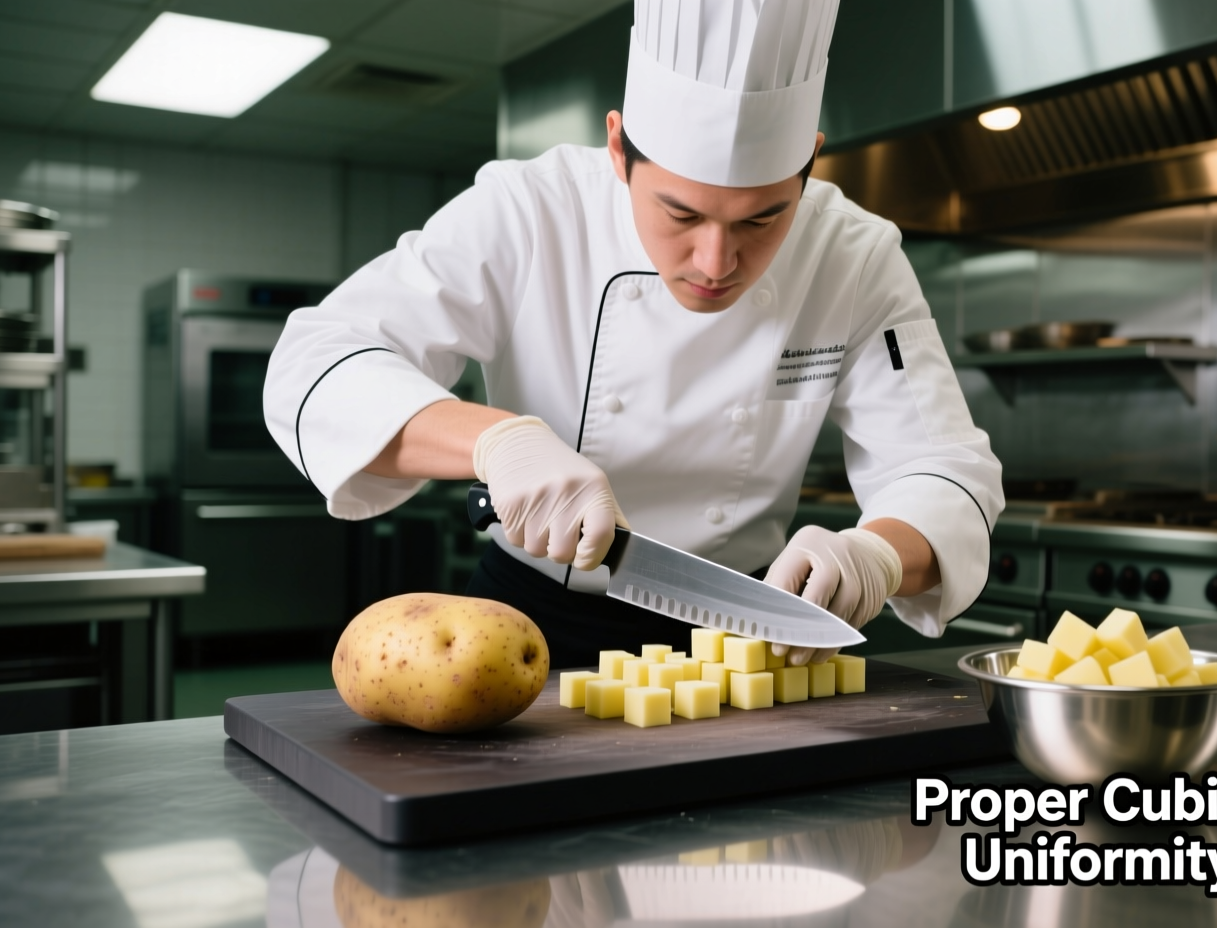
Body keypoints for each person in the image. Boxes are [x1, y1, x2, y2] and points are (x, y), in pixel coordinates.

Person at [263, 0, 1002, 671]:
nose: (717, 263)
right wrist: (497, 443)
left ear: (809, 163)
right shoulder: (529, 211)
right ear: (618, 149)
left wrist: (875, 555)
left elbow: (946, 466)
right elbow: (317, 363)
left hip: (745, 635)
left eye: (762, 219)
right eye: (681, 215)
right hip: (529, 626)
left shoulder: (854, 255)